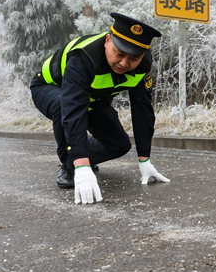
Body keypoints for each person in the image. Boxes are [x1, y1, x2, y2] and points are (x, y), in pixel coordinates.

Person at [30, 12, 170, 204]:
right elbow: (73, 110)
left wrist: (144, 159)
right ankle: (69, 165)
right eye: (119, 54)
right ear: (107, 40)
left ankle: (80, 157)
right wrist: (81, 163)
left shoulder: (143, 64)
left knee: (120, 145)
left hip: (92, 99)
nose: (124, 63)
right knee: (62, 105)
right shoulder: (84, 56)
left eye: (133, 58)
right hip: (50, 88)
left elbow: (142, 110)